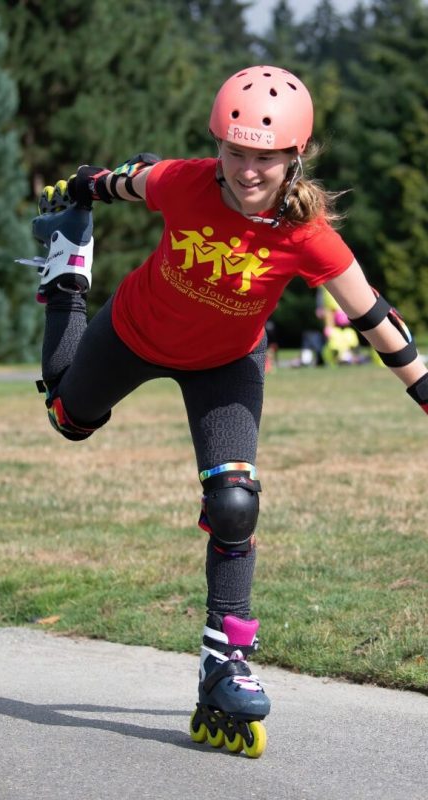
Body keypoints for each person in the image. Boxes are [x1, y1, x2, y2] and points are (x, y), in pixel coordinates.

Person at [23, 65, 428, 758]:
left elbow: (374, 316)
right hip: (133, 333)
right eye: (235, 153)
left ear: (293, 158)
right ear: (219, 147)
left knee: (236, 502)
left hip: (226, 366)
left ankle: (225, 662)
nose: (247, 171)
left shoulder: (308, 234)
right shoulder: (184, 181)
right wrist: (87, 189)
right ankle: (66, 276)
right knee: (68, 417)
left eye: (265, 158)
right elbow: (127, 179)